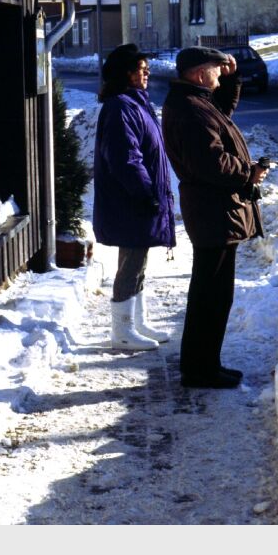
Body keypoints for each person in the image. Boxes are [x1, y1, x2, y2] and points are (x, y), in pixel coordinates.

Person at [162, 46, 268, 388]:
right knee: (210, 295)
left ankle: (206, 364)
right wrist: (247, 173)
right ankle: (199, 370)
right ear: (197, 73)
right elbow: (212, 163)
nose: (219, 75)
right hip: (213, 211)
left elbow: (221, 113)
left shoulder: (194, 102)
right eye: (215, 69)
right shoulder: (190, 110)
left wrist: (233, 77)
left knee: (214, 293)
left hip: (214, 210)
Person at [93, 43, 176, 351]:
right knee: (131, 263)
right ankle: (122, 331)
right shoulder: (121, 108)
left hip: (136, 200)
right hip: (130, 201)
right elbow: (126, 158)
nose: (147, 73)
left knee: (138, 261)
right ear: (127, 75)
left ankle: (136, 322)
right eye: (142, 70)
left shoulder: (134, 104)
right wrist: (144, 193)